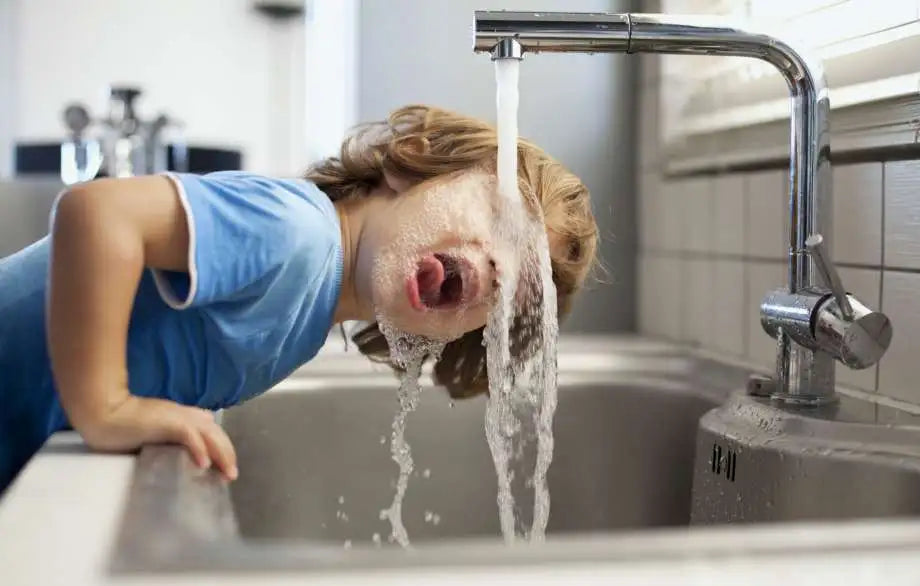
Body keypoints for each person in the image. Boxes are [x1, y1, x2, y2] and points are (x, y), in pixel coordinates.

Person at [0, 104, 599, 493]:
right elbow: (96, 212)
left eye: (509, 293)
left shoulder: (312, 314)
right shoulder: (299, 233)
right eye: (499, 218)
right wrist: (106, 407)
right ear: (414, 166)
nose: (496, 268)